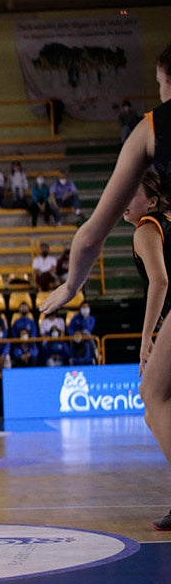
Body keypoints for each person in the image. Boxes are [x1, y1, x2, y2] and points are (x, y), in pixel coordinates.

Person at [40, 44, 171, 529]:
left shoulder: (153, 131)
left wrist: (72, 285)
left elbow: (94, 233)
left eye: (159, 84)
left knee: (152, 396)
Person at [123, 169, 171, 374]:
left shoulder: (145, 230)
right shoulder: (166, 221)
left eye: (133, 194)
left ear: (152, 202)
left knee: (151, 393)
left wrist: (146, 337)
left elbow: (160, 281)